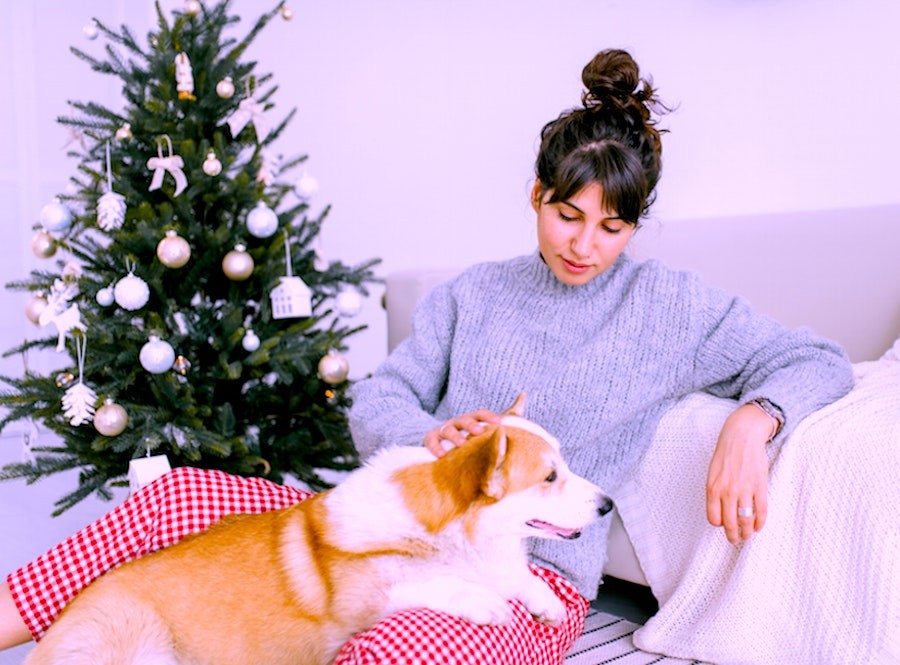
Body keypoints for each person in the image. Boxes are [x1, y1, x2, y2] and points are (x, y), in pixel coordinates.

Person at [0, 49, 853, 664]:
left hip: (526, 580)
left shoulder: (670, 306)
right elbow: (378, 400)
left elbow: (815, 357)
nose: (586, 245)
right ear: (536, 195)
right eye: (567, 215)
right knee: (176, 494)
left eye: (612, 227)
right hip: (393, 536)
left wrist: (754, 416)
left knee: (395, 651)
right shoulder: (471, 294)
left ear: (634, 226)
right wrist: (438, 432)